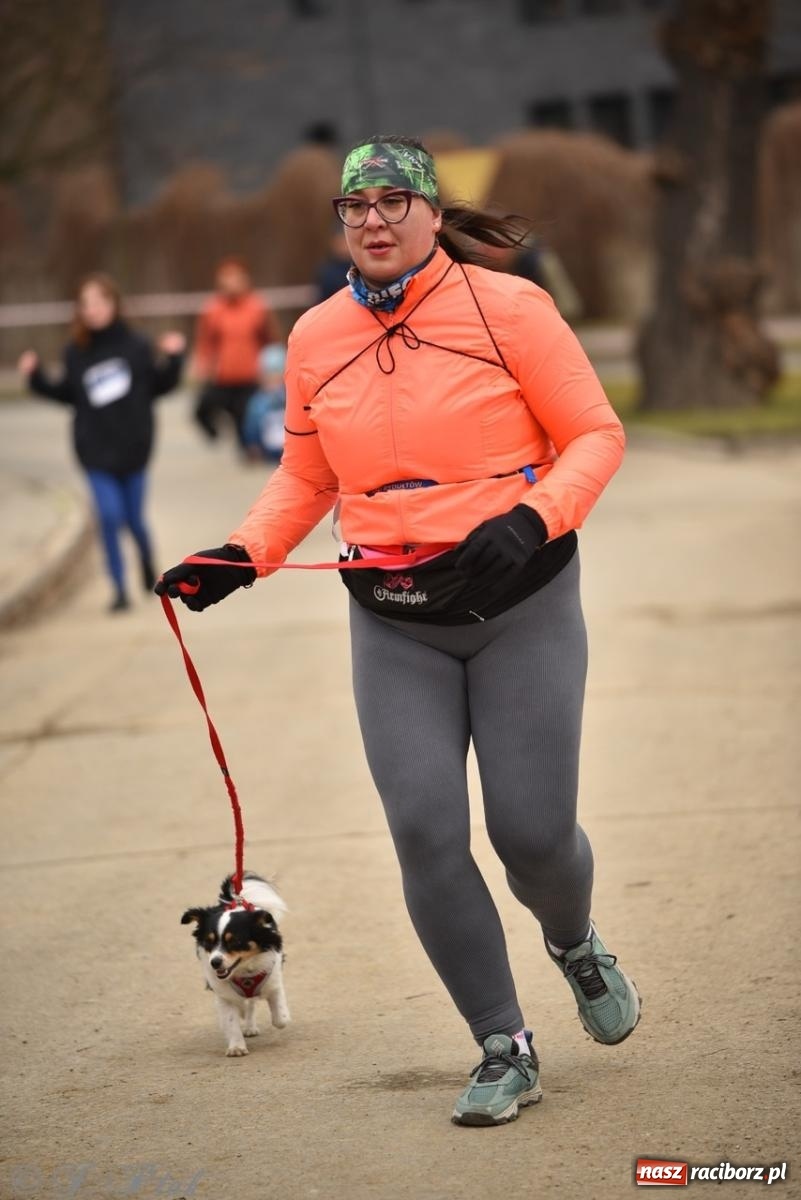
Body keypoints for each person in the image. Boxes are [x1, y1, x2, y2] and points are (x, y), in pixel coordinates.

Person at [157, 135, 640, 1126]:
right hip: (395, 622)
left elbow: (596, 433)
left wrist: (531, 519)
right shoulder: (315, 336)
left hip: (521, 608)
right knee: (424, 832)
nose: (371, 220)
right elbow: (306, 474)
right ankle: (503, 1044)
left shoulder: (511, 309)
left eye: (391, 202)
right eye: (353, 206)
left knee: (533, 835)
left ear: (430, 213)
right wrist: (241, 555)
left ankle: (576, 940)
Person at [18, 272, 185, 613]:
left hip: (134, 450)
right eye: (85, 304)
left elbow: (160, 384)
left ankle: (146, 558)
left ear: (113, 304)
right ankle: (119, 588)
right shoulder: (75, 352)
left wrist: (176, 358)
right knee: (109, 517)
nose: (92, 310)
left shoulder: (137, 346)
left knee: (134, 520)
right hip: (95, 452)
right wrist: (35, 377)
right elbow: (67, 394)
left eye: (98, 302)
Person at [192, 257, 280, 450]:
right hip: (222, 376)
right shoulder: (212, 309)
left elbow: (270, 341)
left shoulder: (257, 307)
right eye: (226, 279)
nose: (231, 284)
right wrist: (202, 365)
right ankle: (214, 434)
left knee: (244, 421)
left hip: (249, 377)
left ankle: (250, 449)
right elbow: (205, 342)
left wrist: (273, 370)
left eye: (236, 278)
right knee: (201, 409)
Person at [240, 343, 287, 462]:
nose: (272, 379)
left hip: (288, 448)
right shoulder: (258, 401)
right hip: (268, 448)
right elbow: (251, 425)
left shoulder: (289, 396)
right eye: (268, 375)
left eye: (276, 374)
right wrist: (253, 445)